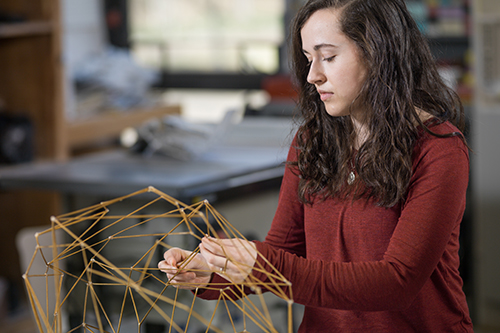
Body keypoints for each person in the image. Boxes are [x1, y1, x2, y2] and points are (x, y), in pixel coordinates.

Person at [158, 0, 473, 331]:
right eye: (309, 59)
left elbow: (397, 282)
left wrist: (260, 263)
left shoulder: (438, 149)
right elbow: (280, 254)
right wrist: (215, 272)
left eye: (329, 57)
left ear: (380, 53)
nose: (313, 76)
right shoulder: (313, 142)